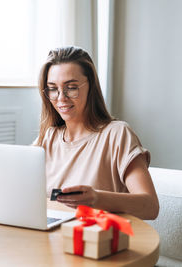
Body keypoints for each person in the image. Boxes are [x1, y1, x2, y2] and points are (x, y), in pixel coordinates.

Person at [34, 46, 159, 220]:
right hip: (54, 236)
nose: (61, 97)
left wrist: (97, 198)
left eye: (71, 87)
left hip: (98, 239)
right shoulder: (48, 137)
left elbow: (151, 206)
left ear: (90, 86)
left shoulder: (117, 134)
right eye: (53, 89)